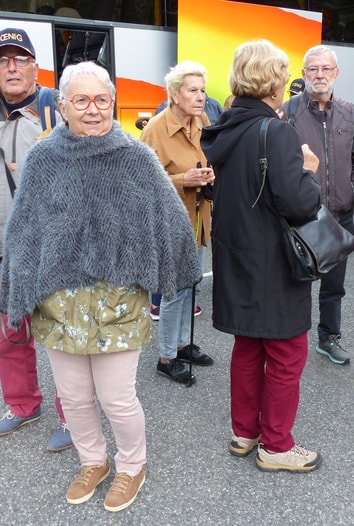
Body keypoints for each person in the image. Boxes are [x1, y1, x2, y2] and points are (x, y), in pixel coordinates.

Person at [0, 61, 201, 510]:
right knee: (73, 396)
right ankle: (93, 461)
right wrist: (18, 289)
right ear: (64, 105)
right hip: (58, 300)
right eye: (82, 100)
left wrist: (173, 273)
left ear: (113, 103)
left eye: (102, 100)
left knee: (118, 398)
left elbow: (170, 221)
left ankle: (132, 465)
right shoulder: (44, 157)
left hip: (120, 301)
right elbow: (25, 230)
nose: (93, 110)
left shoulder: (135, 155)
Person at [201, 39, 323, 472]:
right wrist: (309, 171)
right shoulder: (277, 131)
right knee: (288, 352)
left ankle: (244, 432)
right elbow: (301, 204)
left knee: (248, 347)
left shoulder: (224, 129)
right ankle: (276, 445)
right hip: (274, 261)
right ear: (273, 83)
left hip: (236, 258)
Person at [0, 27, 72, 451]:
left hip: (51, 253)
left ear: (35, 67)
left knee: (63, 337)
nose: (12, 67)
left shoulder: (56, 110)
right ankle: (23, 405)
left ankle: (72, 417)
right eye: (3, 60)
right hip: (0, 250)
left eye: (20, 59)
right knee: (11, 336)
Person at [280, 44, 354, 365]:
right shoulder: (288, 111)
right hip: (303, 215)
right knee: (295, 280)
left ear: (336, 73)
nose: (320, 75)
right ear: (303, 74)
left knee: (334, 285)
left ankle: (328, 337)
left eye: (326, 69)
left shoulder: (349, 111)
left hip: (341, 215)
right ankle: (291, 336)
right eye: (313, 69)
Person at [140, 61, 216, 384]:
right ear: (174, 94)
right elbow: (140, 180)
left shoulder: (203, 121)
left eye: (202, 91)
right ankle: (166, 356)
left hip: (198, 218)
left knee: (193, 284)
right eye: (192, 91)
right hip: (170, 222)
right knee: (174, 292)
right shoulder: (155, 128)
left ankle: (183, 344)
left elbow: (211, 157)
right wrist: (182, 179)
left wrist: (211, 174)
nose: (200, 97)